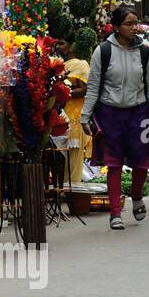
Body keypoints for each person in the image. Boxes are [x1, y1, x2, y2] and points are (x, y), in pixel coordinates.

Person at [79, 6, 149, 230]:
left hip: (140, 112)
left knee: (143, 162)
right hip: (110, 114)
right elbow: (94, 86)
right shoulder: (103, 51)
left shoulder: (145, 52)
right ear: (116, 27)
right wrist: (85, 116)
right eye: (129, 23)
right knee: (113, 164)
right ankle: (115, 213)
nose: (134, 28)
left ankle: (136, 196)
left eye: (136, 23)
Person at [55, 36, 90, 186]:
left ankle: (73, 189)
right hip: (56, 116)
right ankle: (59, 188)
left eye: (61, 43)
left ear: (71, 46)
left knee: (74, 157)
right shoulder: (54, 64)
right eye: (56, 44)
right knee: (57, 156)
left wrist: (64, 92)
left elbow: (84, 90)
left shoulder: (80, 65)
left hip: (74, 115)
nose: (57, 47)